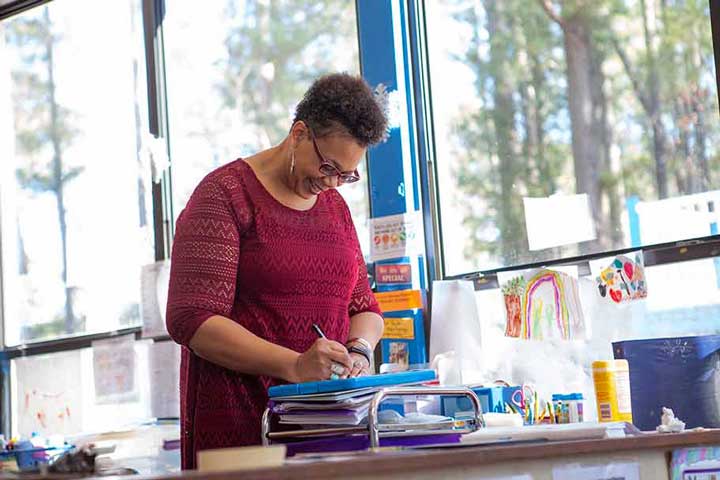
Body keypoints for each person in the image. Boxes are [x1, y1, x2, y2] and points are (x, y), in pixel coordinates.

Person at [165, 73, 387, 469]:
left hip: (326, 432)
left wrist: (360, 350)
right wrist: (295, 365)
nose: (331, 182)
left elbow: (364, 307)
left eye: (346, 175)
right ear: (299, 133)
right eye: (328, 166)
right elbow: (191, 319)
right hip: (241, 434)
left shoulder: (335, 209)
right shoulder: (224, 196)